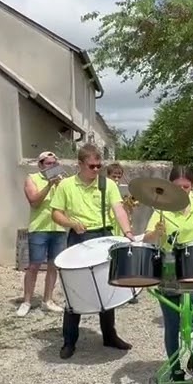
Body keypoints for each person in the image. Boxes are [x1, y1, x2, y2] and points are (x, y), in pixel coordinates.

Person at [50, 144, 134, 358]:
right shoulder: (66, 185)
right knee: (74, 289)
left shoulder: (107, 184)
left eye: (99, 166)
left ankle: (109, 335)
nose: (96, 170)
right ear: (80, 164)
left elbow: (119, 210)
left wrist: (128, 232)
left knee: (107, 286)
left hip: (103, 235)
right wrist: (71, 223)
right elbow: (56, 214)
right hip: (78, 237)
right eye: (92, 166)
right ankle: (69, 341)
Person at [143, 165, 193, 384]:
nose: (182, 191)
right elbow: (147, 239)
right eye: (178, 187)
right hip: (170, 271)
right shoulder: (161, 209)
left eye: (186, 187)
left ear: (192, 186)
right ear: (170, 186)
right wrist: (156, 232)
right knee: (172, 324)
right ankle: (176, 369)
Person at [18, 151, 66, 316]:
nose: (52, 166)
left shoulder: (62, 181)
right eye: (48, 163)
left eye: (54, 164)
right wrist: (49, 185)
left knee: (53, 265)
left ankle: (48, 300)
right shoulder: (32, 178)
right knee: (34, 266)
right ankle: (27, 301)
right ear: (40, 165)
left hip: (58, 228)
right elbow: (34, 202)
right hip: (39, 228)